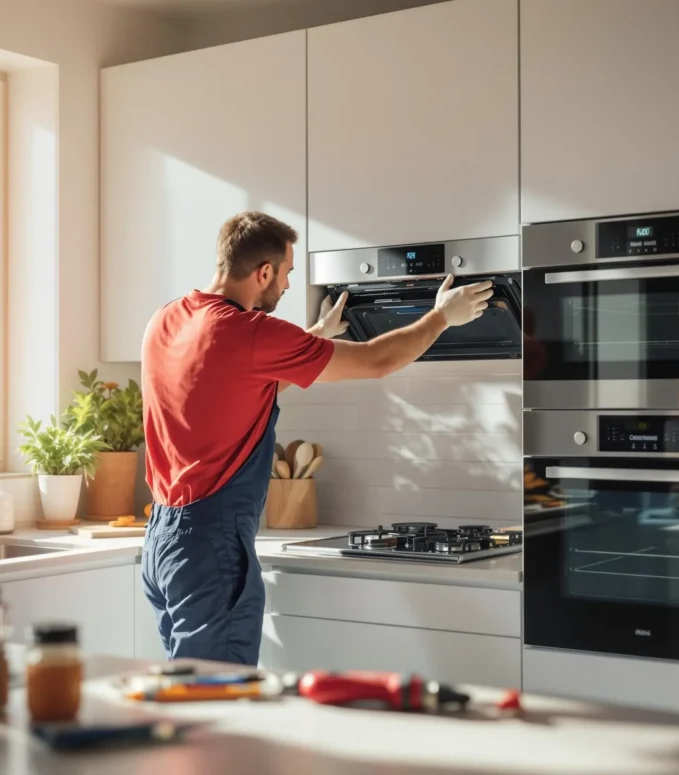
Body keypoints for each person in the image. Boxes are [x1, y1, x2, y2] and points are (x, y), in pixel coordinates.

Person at [140, 212, 494, 666]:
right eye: (287, 273)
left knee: (187, 691)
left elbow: (238, 385)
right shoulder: (250, 332)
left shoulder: (166, 319)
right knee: (214, 697)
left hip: (163, 541)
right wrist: (443, 316)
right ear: (263, 271)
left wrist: (312, 341)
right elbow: (375, 360)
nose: (288, 286)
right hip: (212, 545)